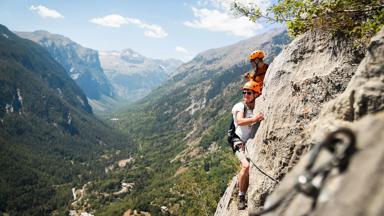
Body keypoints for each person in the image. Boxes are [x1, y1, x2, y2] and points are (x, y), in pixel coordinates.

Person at [231, 80, 265, 210]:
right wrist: (255, 119)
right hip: (238, 140)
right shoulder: (240, 106)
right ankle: (241, 196)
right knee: (245, 166)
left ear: (256, 94)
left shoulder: (256, 105)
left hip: (248, 141)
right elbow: (239, 121)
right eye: (244, 92)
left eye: (248, 93)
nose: (245, 95)